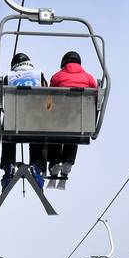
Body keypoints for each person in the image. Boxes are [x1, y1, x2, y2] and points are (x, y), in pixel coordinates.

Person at [47, 51, 98, 185]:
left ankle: (54, 161)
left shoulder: (57, 77)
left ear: (64, 63)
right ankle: (67, 161)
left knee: (55, 133)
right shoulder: (88, 78)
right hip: (79, 117)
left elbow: (49, 96)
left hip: (59, 116)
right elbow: (96, 96)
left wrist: (48, 111)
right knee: (75, 132)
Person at [0, 52, 48, 188]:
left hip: (14, 121)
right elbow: (47, 94)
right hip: (35, 120)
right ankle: (36, 166)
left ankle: (8, 165)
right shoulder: (39, 76)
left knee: (8, 137)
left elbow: (1, 99)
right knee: (37, 139)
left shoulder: (8, 78)